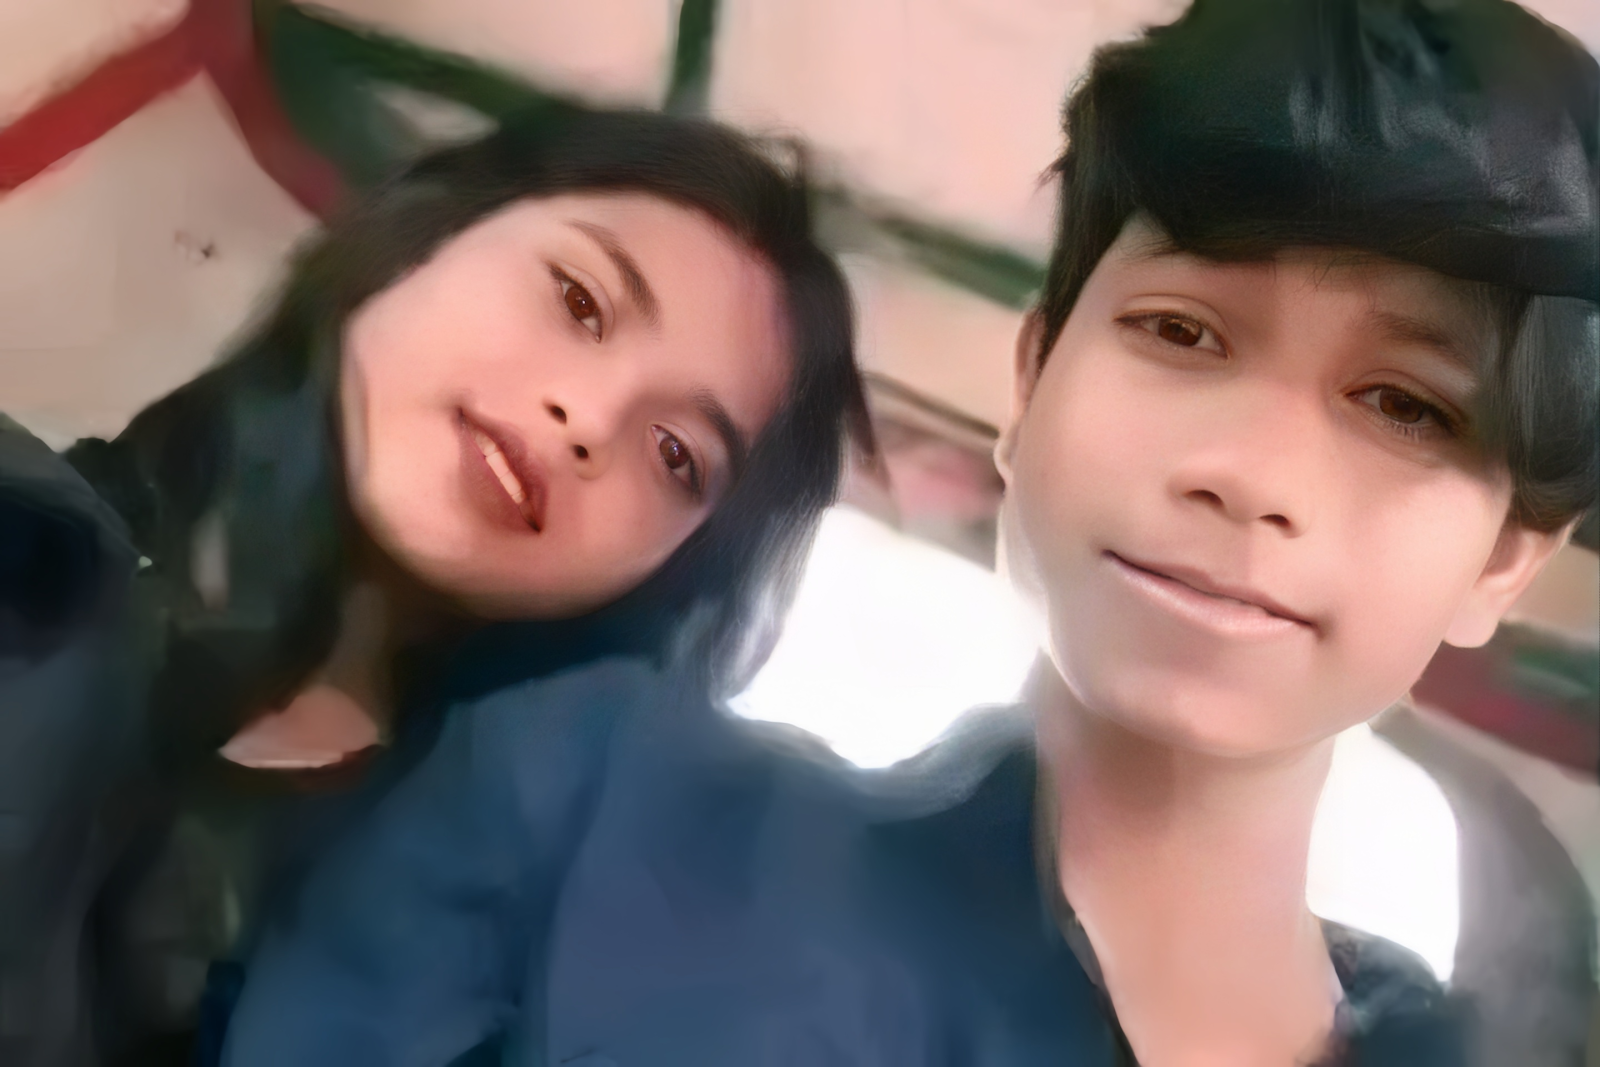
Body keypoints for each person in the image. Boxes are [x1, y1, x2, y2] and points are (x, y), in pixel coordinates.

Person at [266, 0, 1590, 1065]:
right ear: (1032, 377)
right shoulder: (584, 806)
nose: (1249, 475)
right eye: (1183, 331)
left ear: (1504, 558)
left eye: (1407, 407)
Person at [0, 103, 867, 1065]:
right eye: (580, 301)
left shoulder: (499, 975)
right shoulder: (28, 533)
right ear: (431, 232)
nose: (589, 418)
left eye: (675, 454)